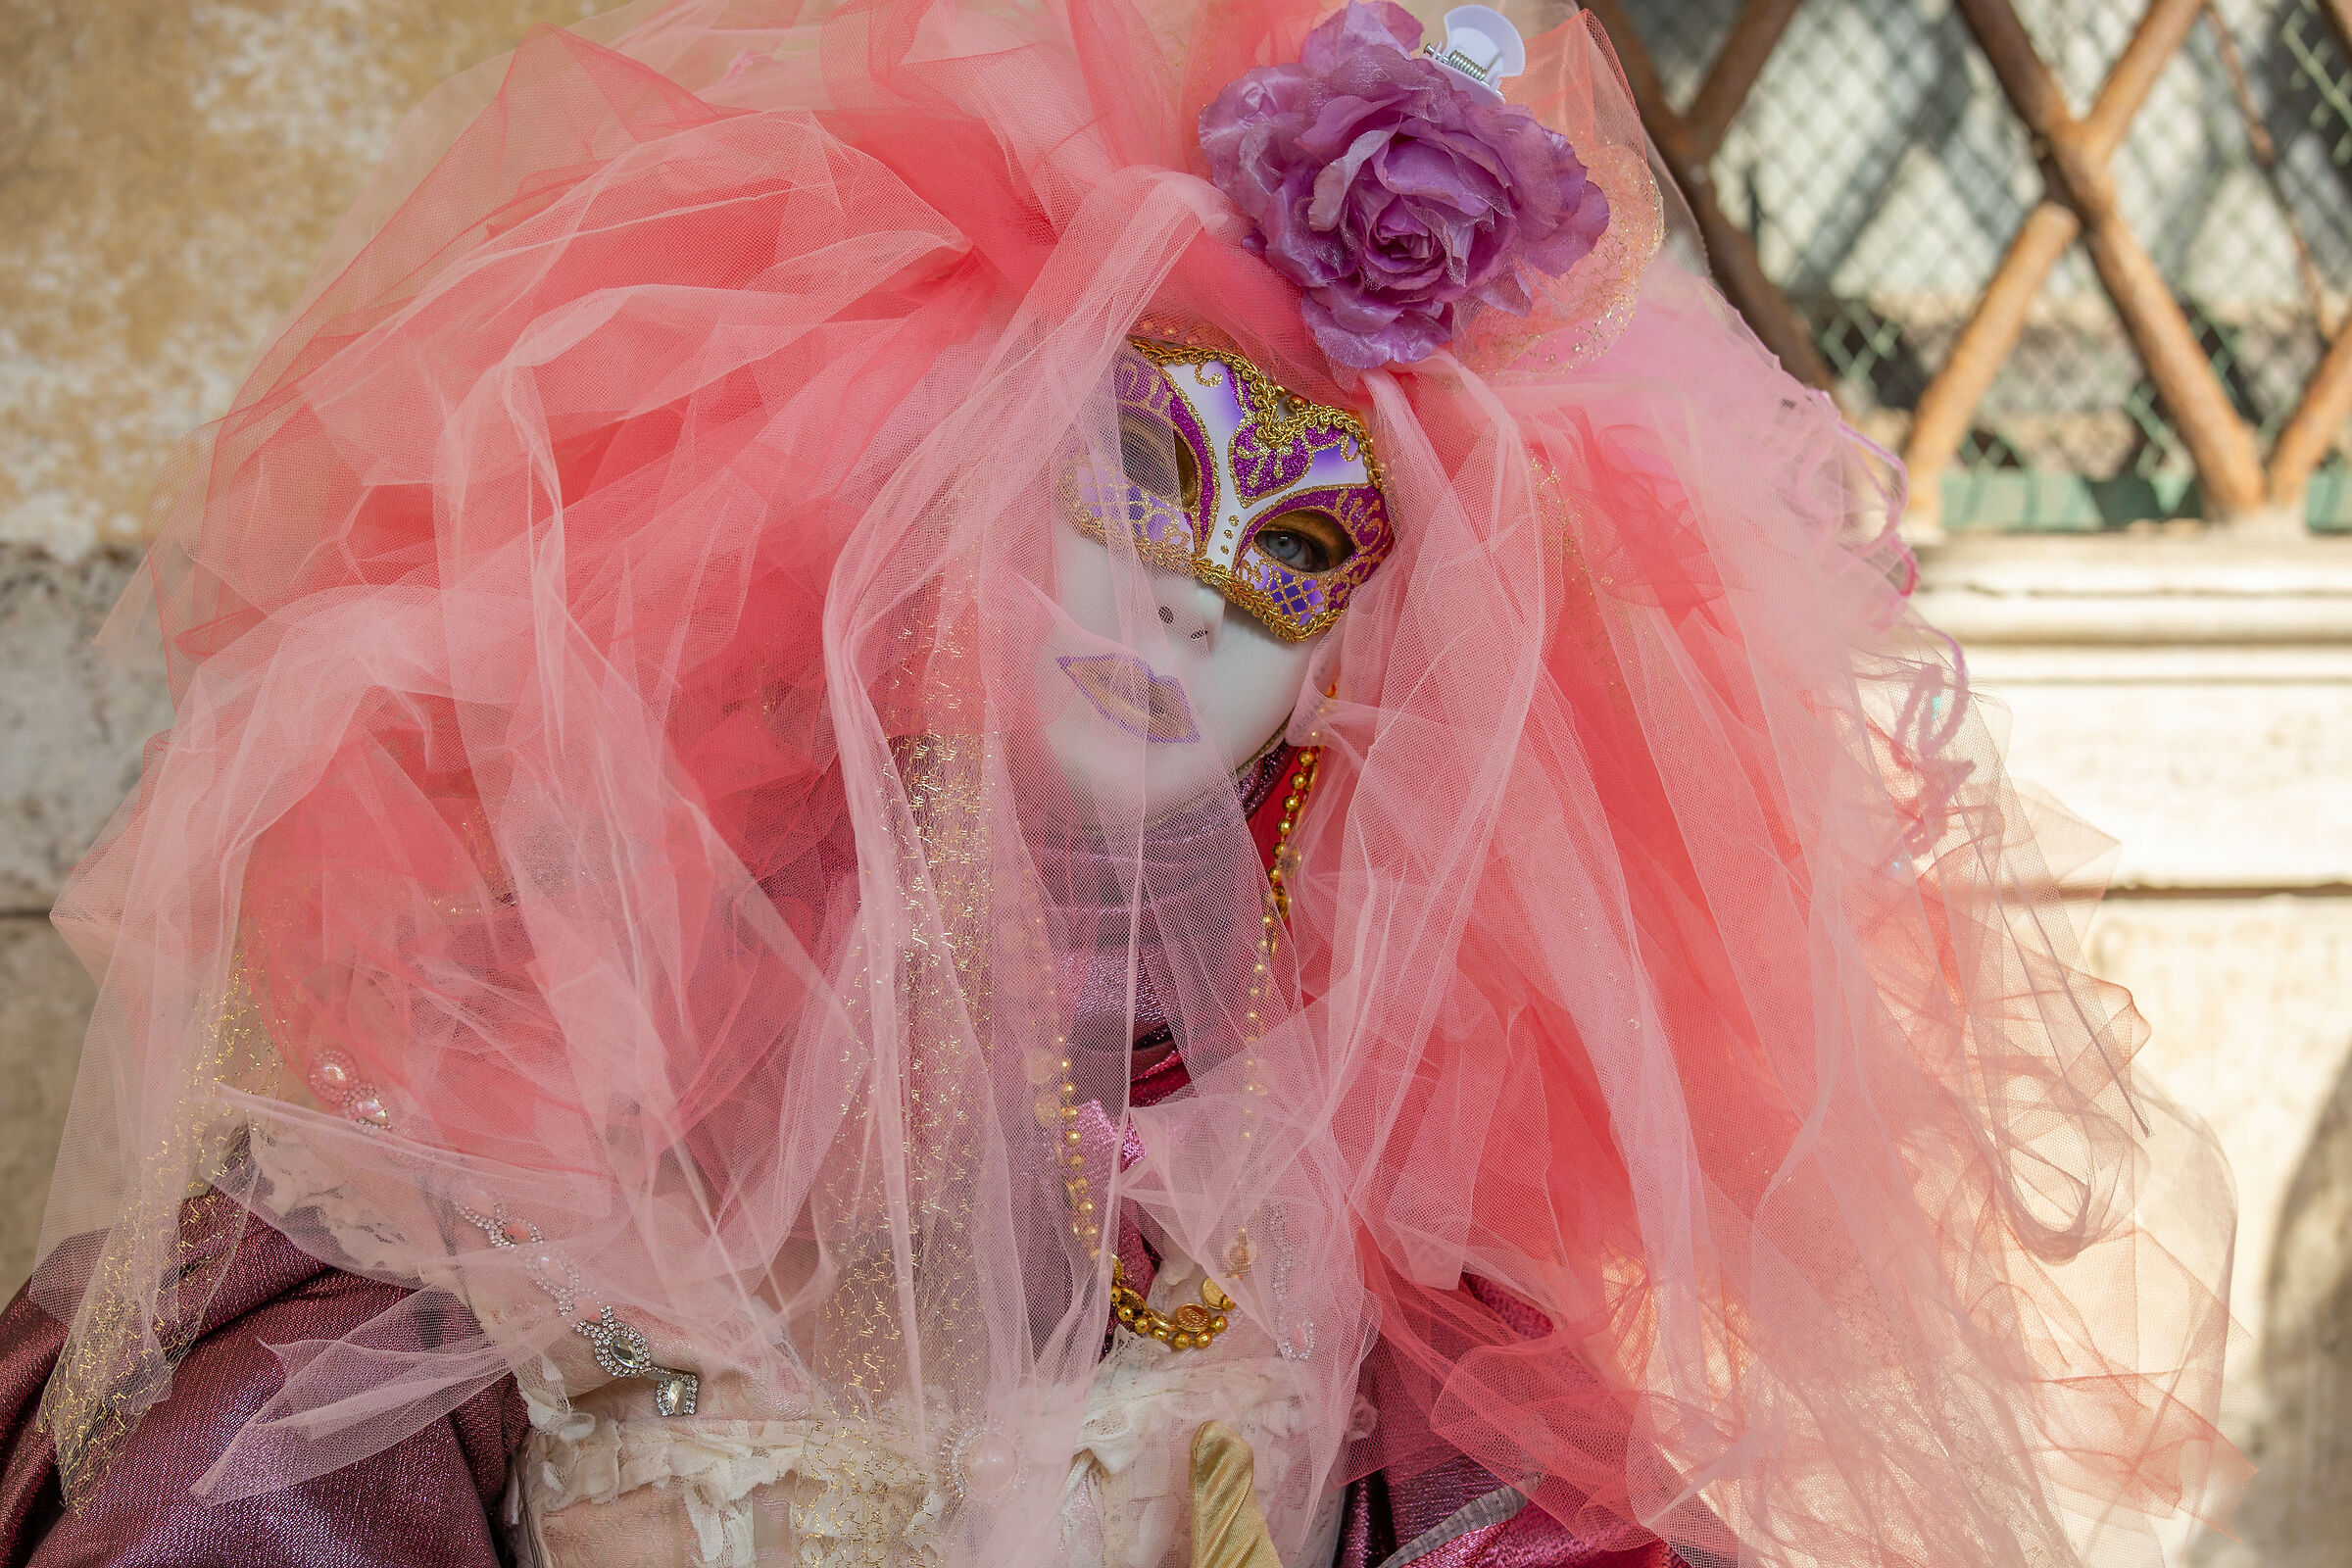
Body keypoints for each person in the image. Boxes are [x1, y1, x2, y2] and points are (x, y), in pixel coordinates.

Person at [0, 0, 2241, 1563]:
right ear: (933, 488)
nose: (1189, 600)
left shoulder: (1327, 1207)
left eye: (1294, 559)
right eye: (1133, 480)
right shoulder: (547, 1135)